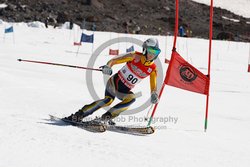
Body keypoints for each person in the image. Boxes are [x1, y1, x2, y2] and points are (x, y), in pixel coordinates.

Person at [65, 38, 161, 123]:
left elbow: (154, 85)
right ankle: (79, 115)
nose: (152, 54)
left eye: (155, 52)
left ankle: (105, 118)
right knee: (108, 100)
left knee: (132, 99)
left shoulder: (152, 68)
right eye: (151, 50)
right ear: (145, 49)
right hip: (114, 83)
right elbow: (114, 60)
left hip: (124, 91)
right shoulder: (135, 56)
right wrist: (108, 66)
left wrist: (154, 94)